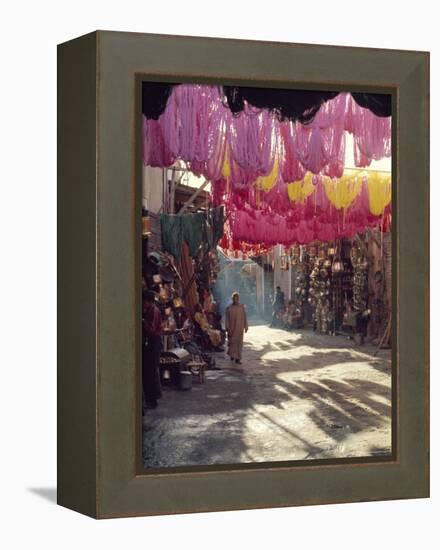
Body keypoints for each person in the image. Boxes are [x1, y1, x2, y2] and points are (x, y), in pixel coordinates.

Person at [142, 290, 163, 410]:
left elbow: (152, 329)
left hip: (153, 342)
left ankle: (152, 400)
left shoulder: (153, 311)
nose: (143, 303)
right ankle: (152, 398)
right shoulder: (150, 310)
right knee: (151, 371)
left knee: (151, 371)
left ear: (148, 301)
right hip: (151, 342)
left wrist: (143, 321)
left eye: (144, 301)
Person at [225, 292, 248, 364]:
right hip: (232, 329)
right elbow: (227, 319)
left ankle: (237, 358)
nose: (235, 300)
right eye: (234, 298)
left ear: (238, 299)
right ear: (232, 299)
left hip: (239, 328)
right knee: (232, 343)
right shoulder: (229, 308)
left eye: (237, 298)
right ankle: (232, 355)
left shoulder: (241, 307)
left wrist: (246, 326)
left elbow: (245, 317)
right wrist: (227, 327)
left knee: (239, 344)